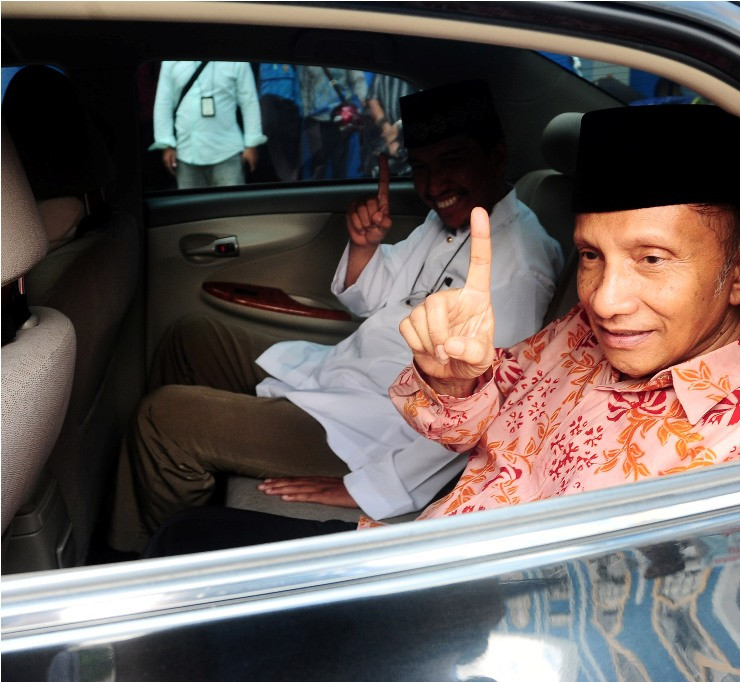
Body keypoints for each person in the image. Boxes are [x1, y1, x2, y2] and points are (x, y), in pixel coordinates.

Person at [143, 104, 740, 556]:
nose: (606, 300)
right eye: (591, 256)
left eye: (652, 259)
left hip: (463, 611)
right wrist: (452, 382)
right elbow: (479, 410)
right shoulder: (582, 332)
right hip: (423, 545)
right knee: (185, 539)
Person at [109, 80, 563, 554]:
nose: (432, 186)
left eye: (451, 161)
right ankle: (178, 496)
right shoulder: (446, 223)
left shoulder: (521, 268)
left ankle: (134, 560)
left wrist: (371, 487)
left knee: (163, 419)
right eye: (421, 168)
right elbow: (382, 299)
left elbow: (485, 412)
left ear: (496, 156)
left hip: (371, 431)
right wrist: (365, 247)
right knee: (191, 337)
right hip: (345, 374)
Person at [150, 61, 266, 189]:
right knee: (191, 202)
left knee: (231, 202)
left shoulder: (235, 58)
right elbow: (163, 103)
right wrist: (166, 144)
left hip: (228, 152)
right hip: (186, 153)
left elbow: (249, 102)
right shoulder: (171, 60)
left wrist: (251, 144)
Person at [300, 66, 367, 180]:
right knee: (318, 164)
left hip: (341, 117)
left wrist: (366, 104)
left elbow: (358, 80)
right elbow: (305, 86)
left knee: (341, 163)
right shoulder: (309, 62)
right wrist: (306, 115)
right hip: (317, 119)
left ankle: (339, 188)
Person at [362, 73, 417, 177]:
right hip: (387, 138)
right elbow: (373, 100)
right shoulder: (382, 72)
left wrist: (398, 127)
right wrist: (387, 130)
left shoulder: (414, 69)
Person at [258, 63, 302, 182]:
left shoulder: (293, 64)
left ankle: (290, 179)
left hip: (290, 108)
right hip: (269, 105)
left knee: (291, 149)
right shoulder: (260, 64)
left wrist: (299, 110)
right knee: (274, 145)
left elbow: (298, 85)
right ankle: (288, 179)